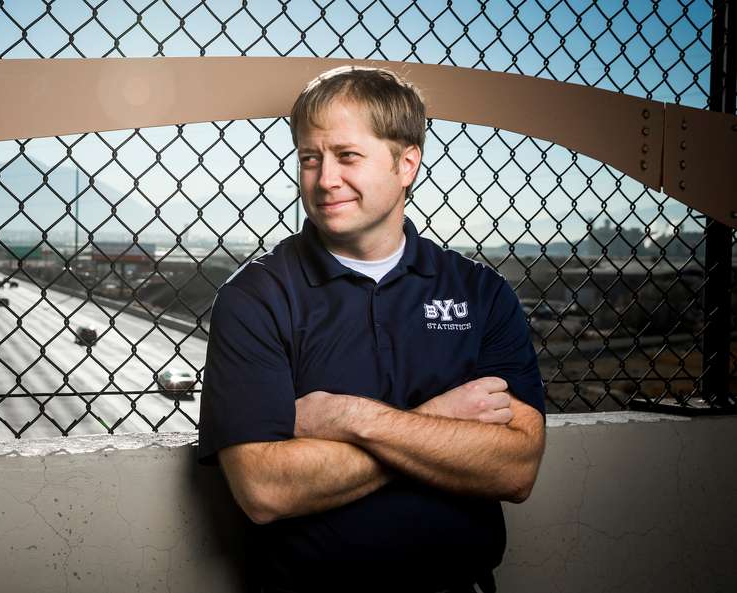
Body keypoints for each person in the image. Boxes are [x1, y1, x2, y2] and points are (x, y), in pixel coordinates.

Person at [197, 66, 547, 593]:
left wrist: (351, 417)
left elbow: (515, 468)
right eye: (309, 159)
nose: (324, 179)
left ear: (406, 164)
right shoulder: (256, 297)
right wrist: (441, 423)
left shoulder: (481, 292)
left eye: (347, 156)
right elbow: (265, 488)